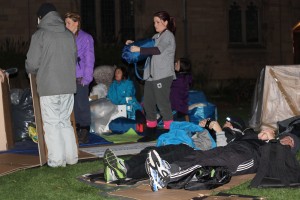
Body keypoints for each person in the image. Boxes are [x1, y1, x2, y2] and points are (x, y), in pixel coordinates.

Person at [145, 128, 300, 192]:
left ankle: (167, 175)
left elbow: (274, 166)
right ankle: (168, 168)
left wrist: (273, 141)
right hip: (235, 147)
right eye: (287, 138)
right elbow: (239, 137)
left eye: (291, 142)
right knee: (200, 155)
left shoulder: (282, 153)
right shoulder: (259, 138)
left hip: (248, 157)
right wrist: (261, 135)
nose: (287, 140)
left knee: (213, 162)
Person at [102, 116, 245, 182]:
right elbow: (194, 133)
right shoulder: (215, 131)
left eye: (228, 123)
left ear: (235, 127)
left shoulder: (233, 136)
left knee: (161, 160)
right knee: (152, 151)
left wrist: (219, 131)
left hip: (193, 152)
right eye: (224, 123)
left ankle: (126, 173)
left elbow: (224, 153)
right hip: (183, 143)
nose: (225, 124)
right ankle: (124, 166)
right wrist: (201, 127)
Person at [25, 3, 78, 167]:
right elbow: (74, 58)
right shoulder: (69, 35)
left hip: (49, 87)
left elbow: (32, 63)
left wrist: (29, 68)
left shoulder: (40, 35)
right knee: (64, 122)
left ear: (41, 18)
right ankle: (72, 157)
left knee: (52, 123)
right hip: (68, 87)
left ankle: (56, 160)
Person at [126, 11, 176, 142]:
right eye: (154, 22)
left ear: (165, 23)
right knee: (148, 105)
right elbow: (146, 46)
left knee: (162, 104)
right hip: (150, 76)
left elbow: (157, 50)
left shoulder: (168, 36)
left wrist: (139, 50)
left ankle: (170, 133)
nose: (155, 25)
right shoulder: (156, 36)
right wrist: (133, 44)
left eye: (158, 22)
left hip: (163, 76)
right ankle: (150, 133)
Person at [64, 12, 95, 144]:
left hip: (81, 77)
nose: (66, 25)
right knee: (72, 106)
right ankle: (75, 129)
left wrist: (87, 78)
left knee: (82, 105)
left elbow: (89, 58)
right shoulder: (65, 37)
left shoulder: (86, 38)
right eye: (65, 23)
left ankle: (85, 130)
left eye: (68, 23)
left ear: (76, 23)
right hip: (68, 78)